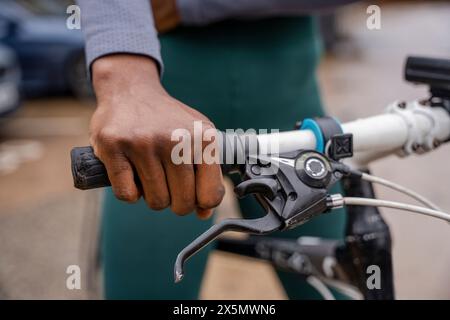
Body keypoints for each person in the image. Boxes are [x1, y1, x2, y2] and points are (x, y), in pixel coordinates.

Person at [77, 0, 357, 299]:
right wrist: (122, 76)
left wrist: (186, 4)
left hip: (285, 76)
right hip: (159, 77)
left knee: (336, 285)